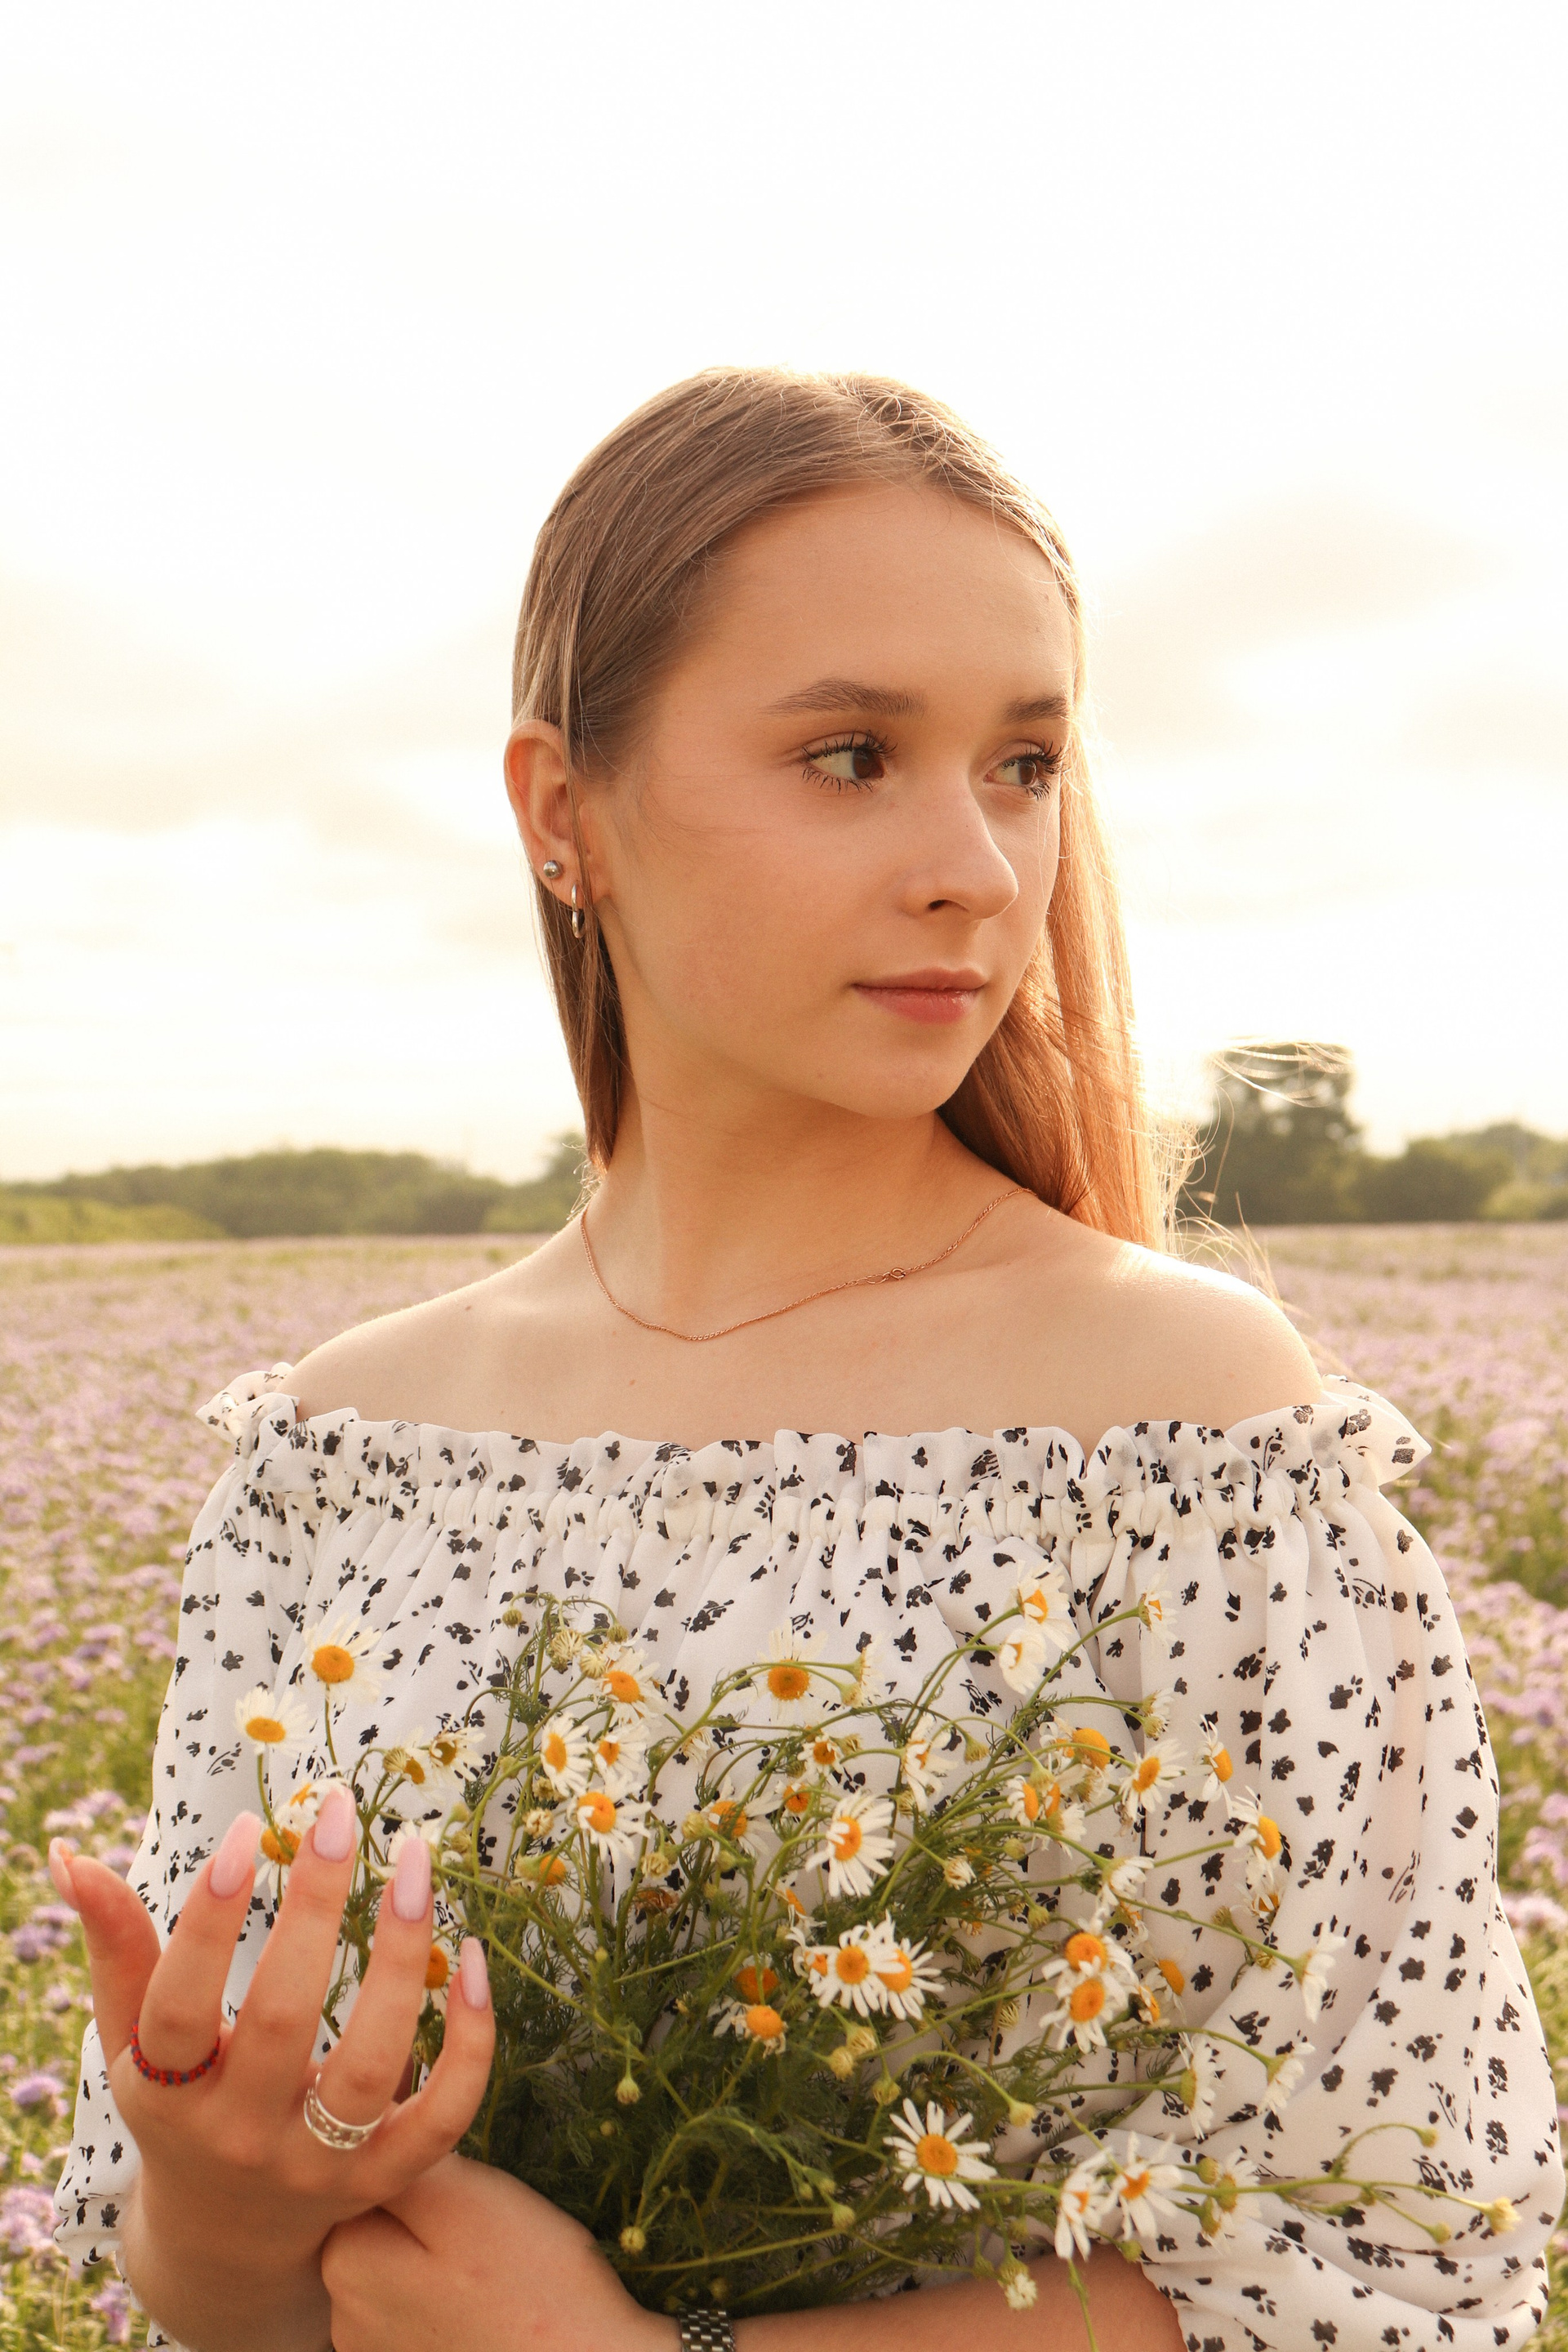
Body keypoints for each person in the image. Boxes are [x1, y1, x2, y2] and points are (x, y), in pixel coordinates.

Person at [50, 370, 1560, 2352]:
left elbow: (1392, 2257)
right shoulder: (335, 1454)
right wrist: (230, 2210)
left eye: (1024, 764)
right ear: (561, 813)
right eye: (852, 755)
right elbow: (196, 2290)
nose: (979, 867)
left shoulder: (1187, 1425)